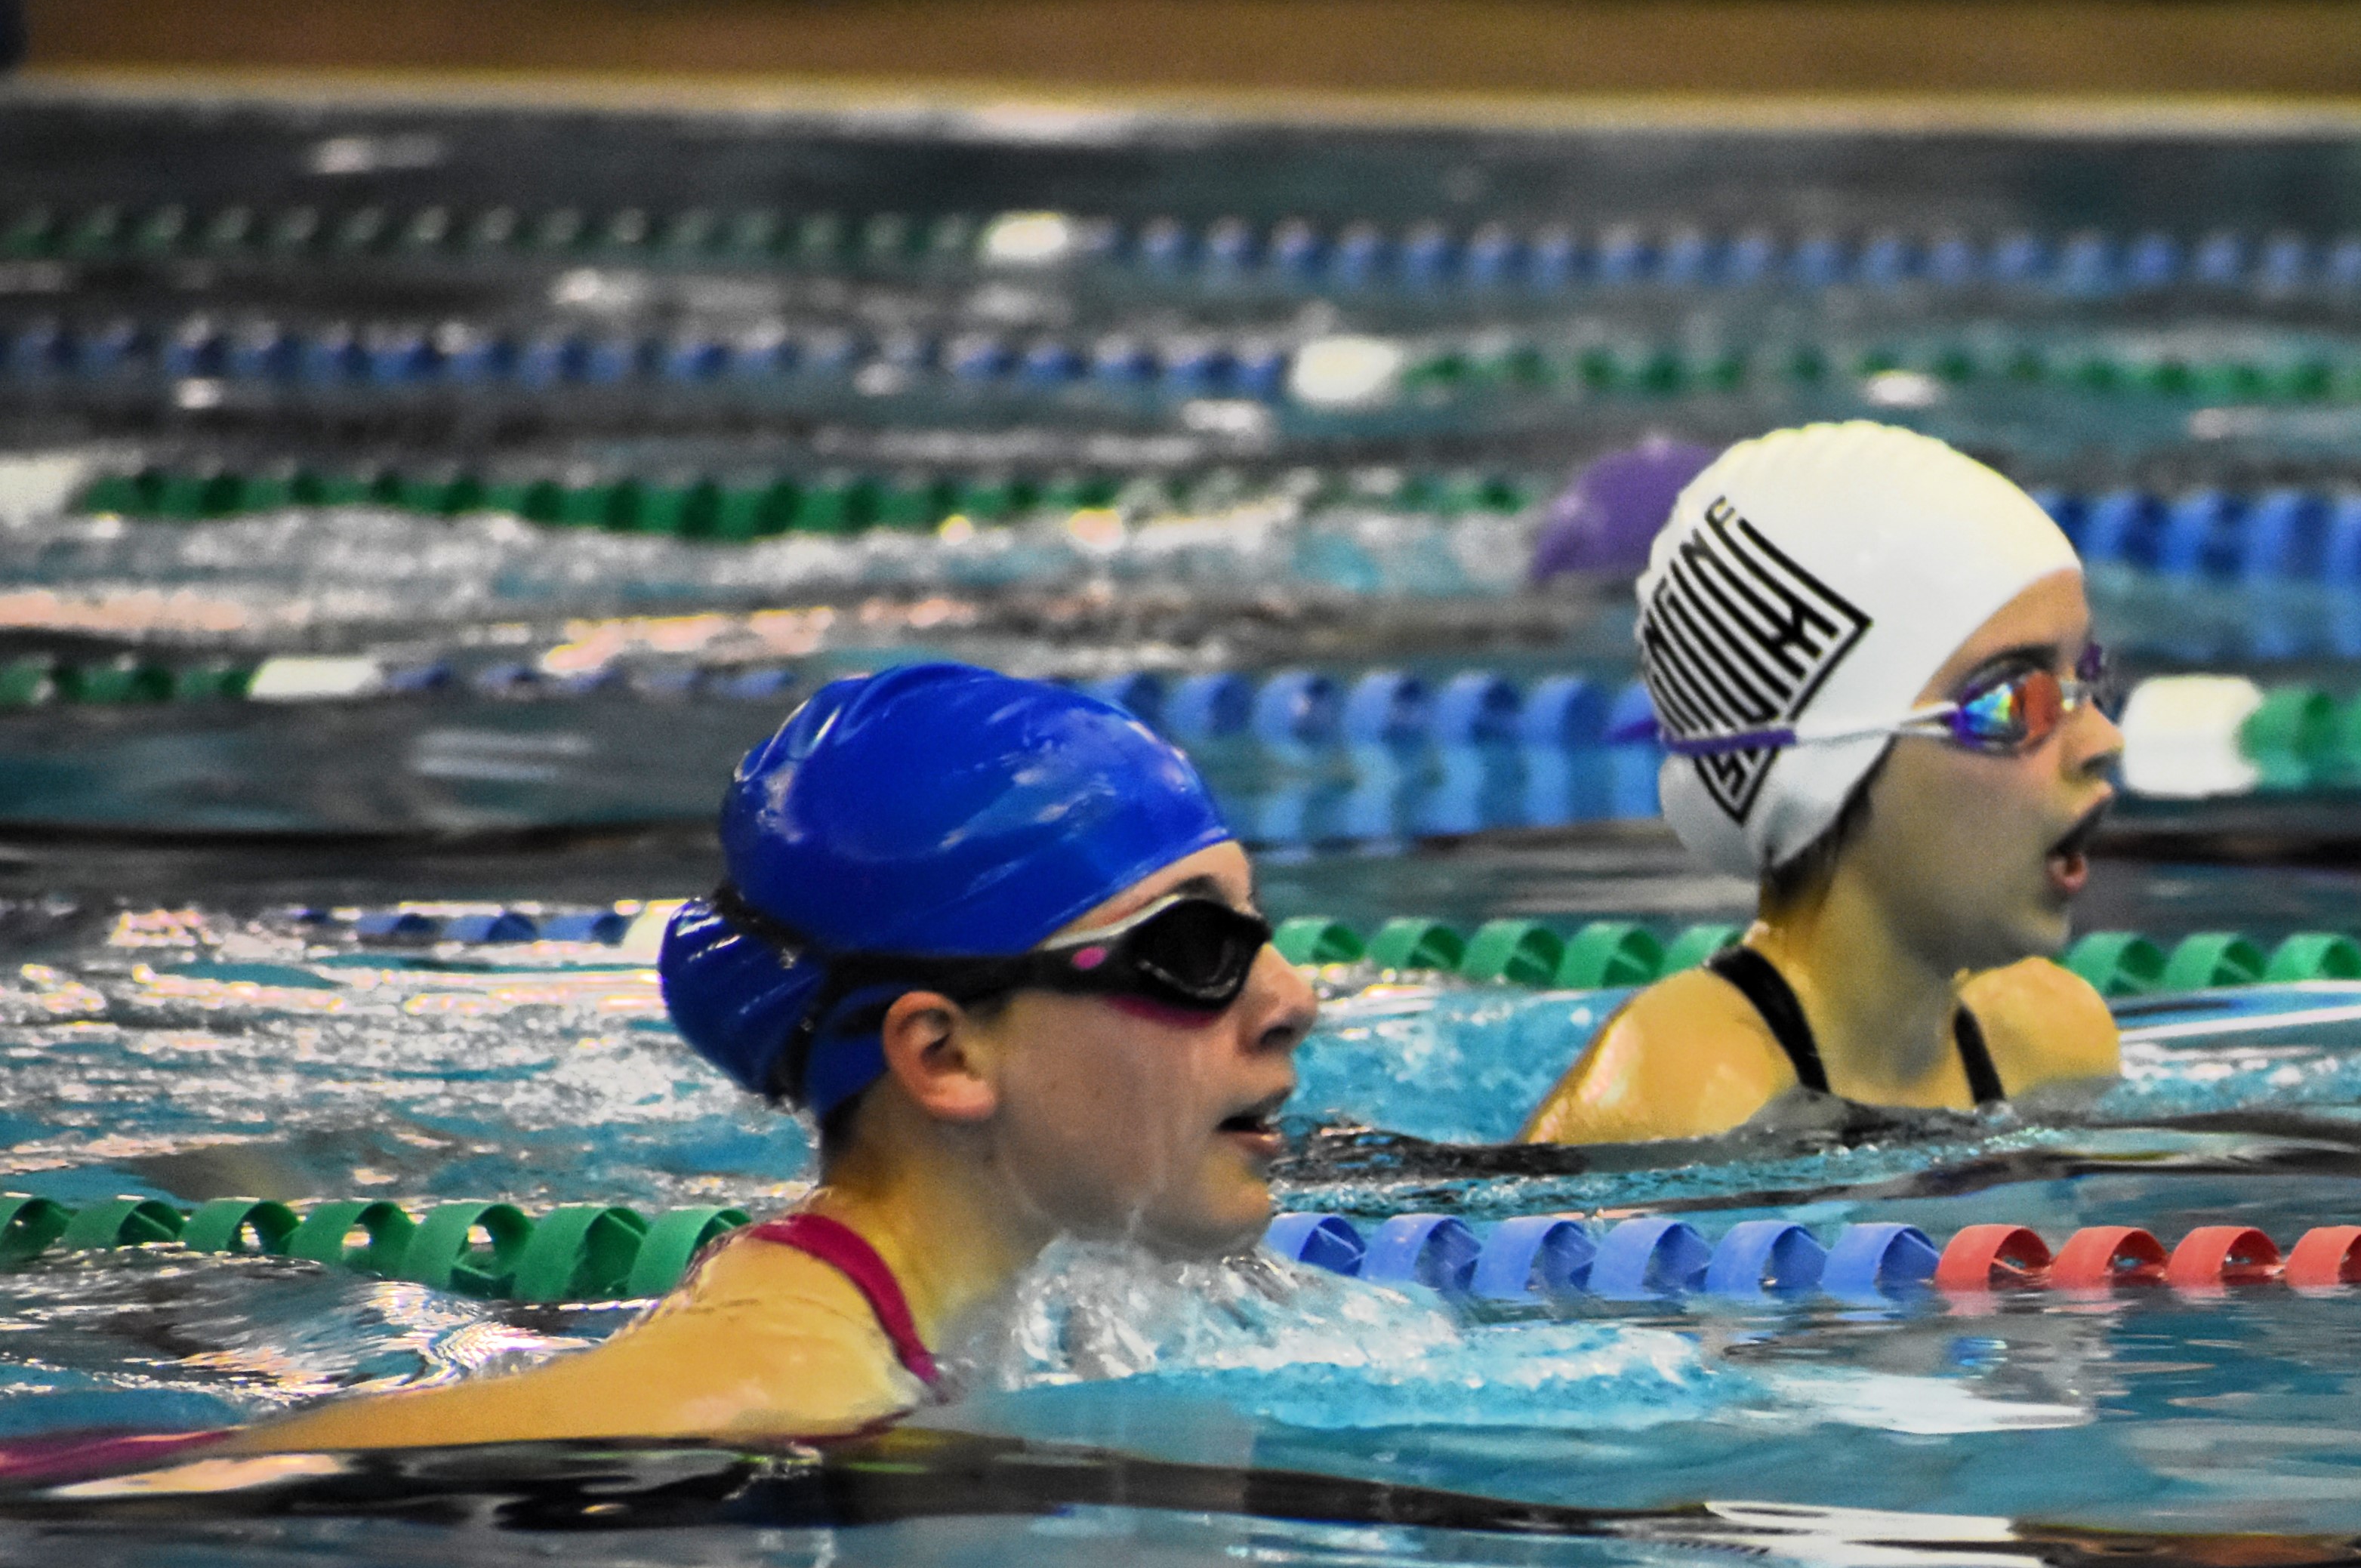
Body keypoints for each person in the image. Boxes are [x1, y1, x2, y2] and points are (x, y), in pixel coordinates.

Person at [243, 664, 1316, 1451]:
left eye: (1261, 929)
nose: (1291, 999)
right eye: (1193, 948)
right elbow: (193, 1487)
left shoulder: (954, 1329)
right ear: (943, 1055)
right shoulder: (769, 1386)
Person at [1521, 421, 2125, 1146]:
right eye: (2010, 701)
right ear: (1825, 765)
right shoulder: (1687, 1092)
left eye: (2083, 678)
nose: (2101, 740)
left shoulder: (2052, 1043)